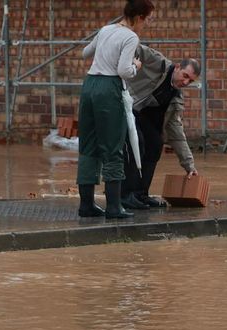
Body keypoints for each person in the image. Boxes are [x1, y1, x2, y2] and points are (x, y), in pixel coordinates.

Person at [76, 0, 155, 219]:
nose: (147, 24)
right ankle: (113, 206)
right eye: (148, 20)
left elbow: (85, 53)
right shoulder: (131, 37)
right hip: (108, 90)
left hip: (89, 86)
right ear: (139, 17)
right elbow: (123, 71)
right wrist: (136, 66)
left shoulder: (106, 29)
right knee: (112, 146)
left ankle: (86, 205)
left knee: (88, 145)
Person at [119, 52, 201, 210]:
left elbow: (176, 133)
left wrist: (189, 165)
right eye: (184, 76)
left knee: (156, 145)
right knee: (137, 145)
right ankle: (126, 195)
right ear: (177, 67)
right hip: (127, 107)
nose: (185, 82)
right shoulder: (158, 63)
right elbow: (137, 47)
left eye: (190, 80)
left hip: (145, 118)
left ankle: (141, 194)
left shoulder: (175, 97)